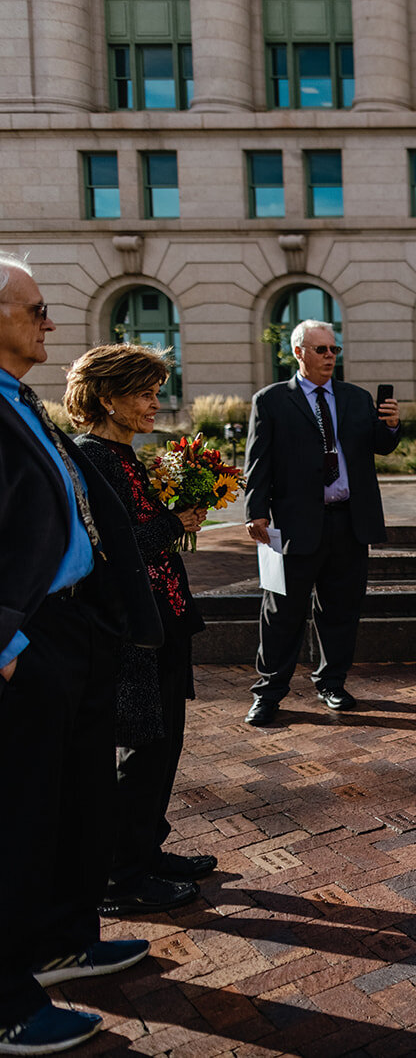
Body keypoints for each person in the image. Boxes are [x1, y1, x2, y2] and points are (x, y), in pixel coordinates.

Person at [0, 251, 162, 1055]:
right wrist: (8, 637)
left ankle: (64, 942)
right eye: (33, 309)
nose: (49, 322)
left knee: (75, 803)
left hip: (74, 628)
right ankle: (6, 999)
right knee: (21, 818)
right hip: (26, 636)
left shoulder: (20, 402)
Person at [65, 345, 215, 917]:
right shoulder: (92, 456)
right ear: (108, 398)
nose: (156, 403)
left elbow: (141, 527)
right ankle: (119, 878)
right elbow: (112, 546)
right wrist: (174, 523)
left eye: (157, 391)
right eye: (145, 393)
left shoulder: (125, 453)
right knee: (140, 749)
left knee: (164, 743)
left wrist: (177, 514)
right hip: (131, 629)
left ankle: (147, 850)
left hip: (164, 617)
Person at [244, 320, 401, 725]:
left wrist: (391, 425)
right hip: (294, 526)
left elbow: (379, 447)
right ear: (299, 353)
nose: (330, 356)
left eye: (334, 349)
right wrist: (255, 511)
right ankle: (269, 693)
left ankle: (332, 683)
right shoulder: (272, 400)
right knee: (281, 613)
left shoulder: (356, 397)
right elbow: (258, 462)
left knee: (341, 611)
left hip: (350, 523)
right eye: (321, 350)